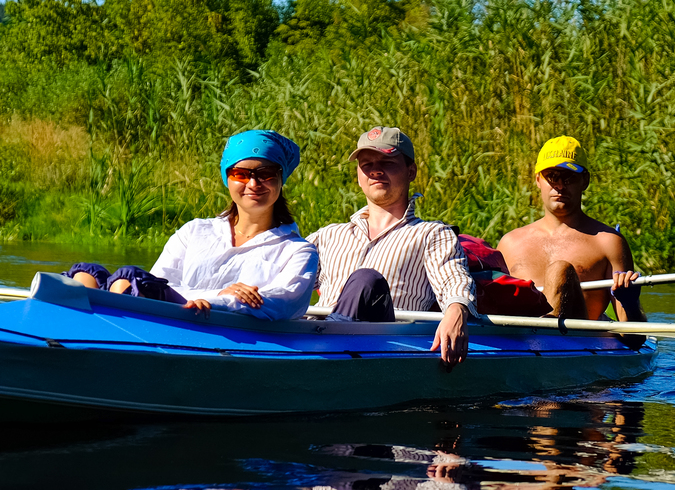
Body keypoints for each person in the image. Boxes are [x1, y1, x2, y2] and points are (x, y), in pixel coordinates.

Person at [63, 130, 317, 320]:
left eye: (266, 174)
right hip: (172, 320)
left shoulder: (298, 251)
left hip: (224, 334)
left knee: (127, 283)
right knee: (90, 276)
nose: (253, 184)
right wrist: (220, 294)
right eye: (240, 174)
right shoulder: (195, 231)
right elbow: (159, 283)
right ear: (227, 179)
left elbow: (281, 304)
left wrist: (216, 303)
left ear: (280, 179)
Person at [307, 127, 474, 367]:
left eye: (387, 162)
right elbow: (285, 277)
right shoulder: (329, 235)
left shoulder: (431, 234)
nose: (375, 170)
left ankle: (328, 358)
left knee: (366, 280)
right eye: (367, 165)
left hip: (385, 348)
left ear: (411, 171)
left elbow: (453, 279)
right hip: (314, 340)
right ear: (358, 176)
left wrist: (457, 310)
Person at [497, 136, 646, 322]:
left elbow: (633, 335)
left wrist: (630, 304)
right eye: (552, 177)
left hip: (577, 336)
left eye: (569, 178)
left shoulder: (609, 242)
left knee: (560, 271)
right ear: (538, 180)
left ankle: (547, 332)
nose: (560, 186)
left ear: (584, 181)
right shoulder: (509, 243)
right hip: (519, 337)